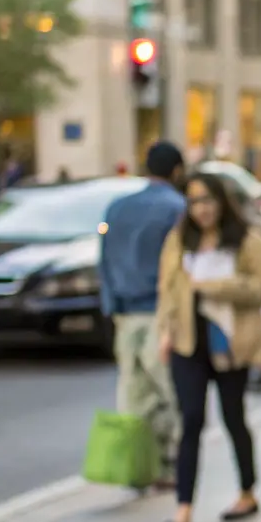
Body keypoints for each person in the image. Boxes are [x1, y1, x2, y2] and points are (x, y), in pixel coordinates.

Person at [156, 172, 261, 522]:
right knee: (190, 420)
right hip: (188, 343)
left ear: (223, 202)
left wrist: (213, 288)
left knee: (233, 417)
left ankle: (247, 492)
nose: (202, 209)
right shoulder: (179, 240)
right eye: (194, 202)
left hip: (229, 342)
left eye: (208, 200)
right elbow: (167, 288)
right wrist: (165, 331)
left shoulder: (248, 239)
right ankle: (183, 511)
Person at [99, 141, 187, 488]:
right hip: (159, 312)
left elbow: (104, 260)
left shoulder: (117, 207)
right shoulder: (176, 208)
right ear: (177, 171)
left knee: (133, 394)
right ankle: (166, 465)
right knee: (170, 392)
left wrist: (112, 305)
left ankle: (137, 466)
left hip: (124, 311)